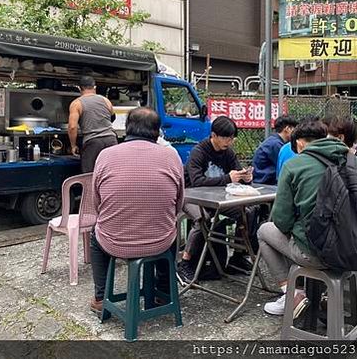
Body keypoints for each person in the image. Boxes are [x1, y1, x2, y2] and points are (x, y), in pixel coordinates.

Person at [258, 118, 357, 345]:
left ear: (300, 143)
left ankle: (291, 294)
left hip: (316, 255)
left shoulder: (295, 165)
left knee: (264, 231)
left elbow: (281, 221)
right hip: (356, 253)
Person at [89, 107, 184, 312]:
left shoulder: (106, 155)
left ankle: (100, 297)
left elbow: (96, 203)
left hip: (114, 242)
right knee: (172, 230)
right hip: (159, 242)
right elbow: (178, 203)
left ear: (127, 128)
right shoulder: (171, 156)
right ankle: (164, 292)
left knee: (95, 233)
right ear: (158, 132)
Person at [177, 116, 256, 282]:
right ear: (213, 135)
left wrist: (245, 176)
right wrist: (228, 178)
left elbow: (236, 173)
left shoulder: (228, 153)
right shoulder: (199, 151)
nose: (229, 141)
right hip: (191, 196)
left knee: (248, 211)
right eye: (225, 137)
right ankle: (185, 262)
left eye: (232, 137)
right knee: (203, 218)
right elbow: (197, 182)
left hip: (218, 198)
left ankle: (237, 256)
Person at [68, 75, 117, 173]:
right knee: (111, 172)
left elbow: (72, 127)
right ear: (95, 87)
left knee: (89, 174)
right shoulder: (105, 100)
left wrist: (73, 145)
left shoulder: (76, 103)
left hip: (92, 142)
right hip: (111, 140)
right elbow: (113, 117)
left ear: (79, 88)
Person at [252, 116, 298, 185]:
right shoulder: (276, 144)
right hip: (265, 182)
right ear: (287, 129)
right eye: (294, 129)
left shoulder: (274, 141)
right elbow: (287, 166)